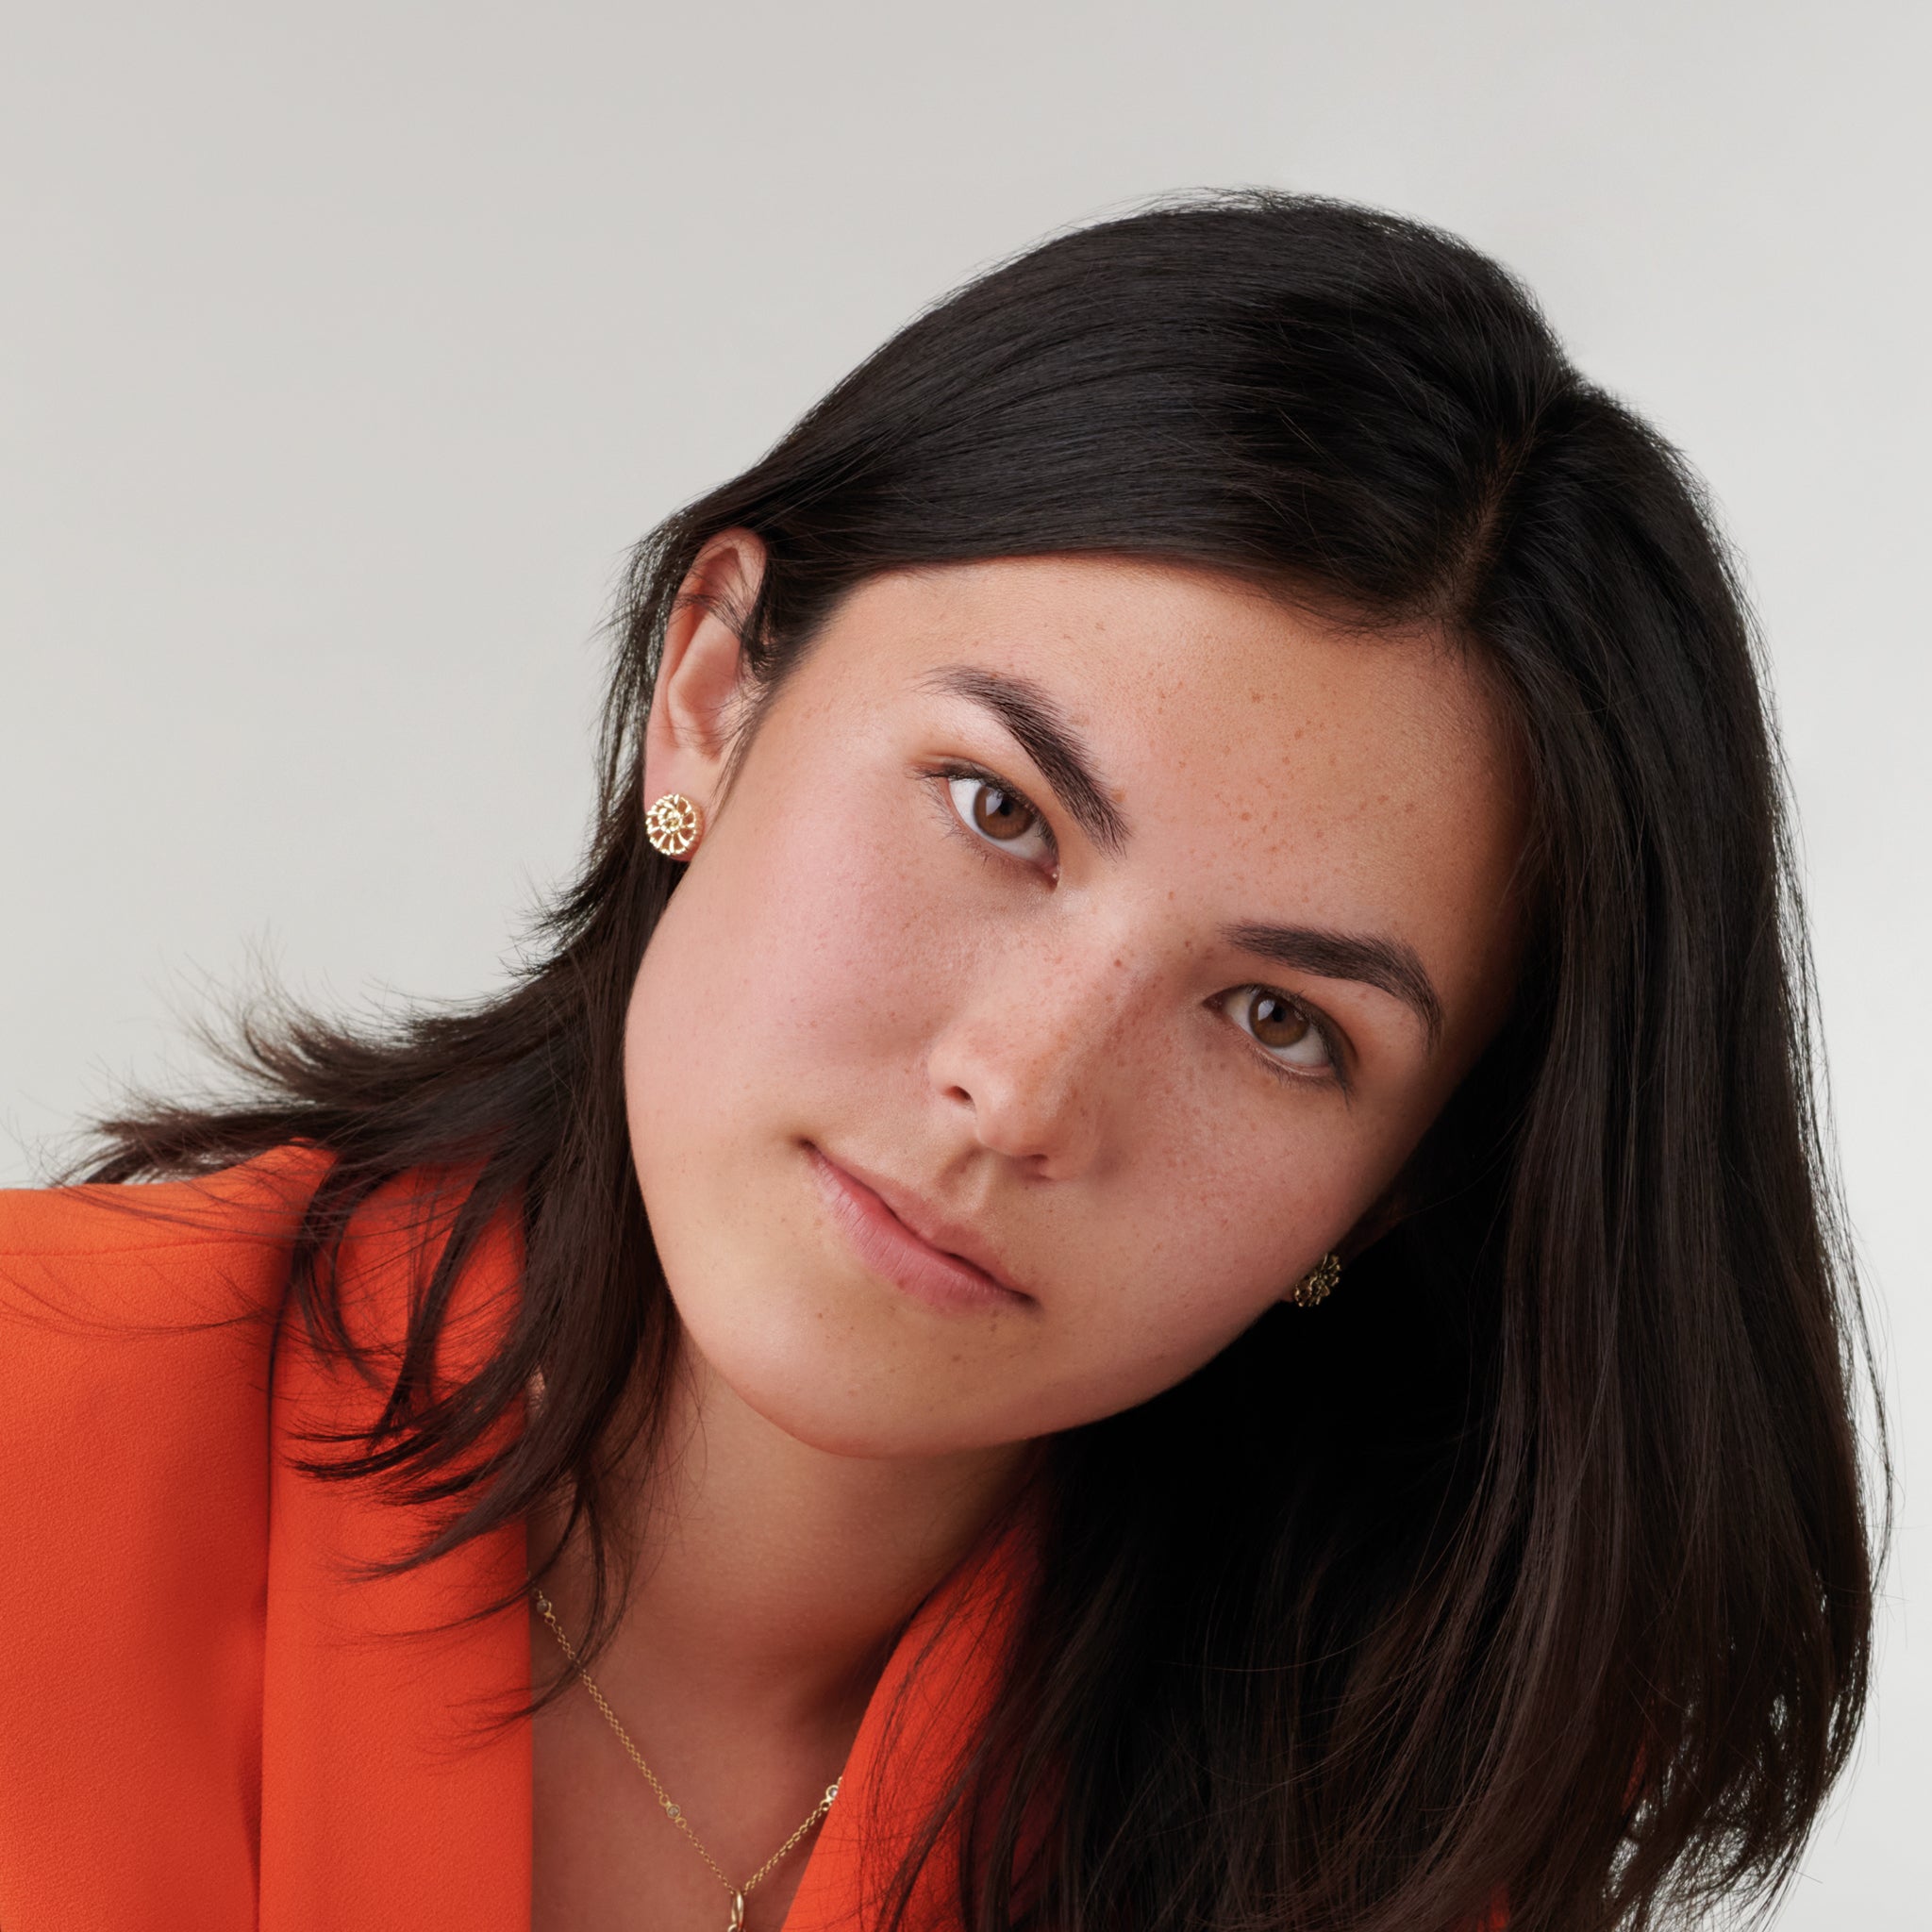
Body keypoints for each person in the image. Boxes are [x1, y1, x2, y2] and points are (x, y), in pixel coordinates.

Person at [0, 192, 1880, 1932]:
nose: (1021, 1090)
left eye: (1279, 1020)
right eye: (997, 808)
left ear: (1392, 1188)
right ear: (710, 698)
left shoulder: (1383, 1845)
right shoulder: (43, 1423)